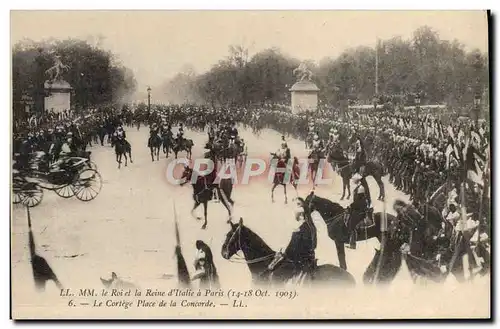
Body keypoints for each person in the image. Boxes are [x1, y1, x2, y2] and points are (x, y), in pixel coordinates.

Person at [268, 199, 317, 281]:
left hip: (300, 261)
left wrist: (284, 255)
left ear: (302, 213)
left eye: (298, 205)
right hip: (300, 258)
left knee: (276, 276)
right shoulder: (305, 226)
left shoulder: (304, 227)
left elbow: (299, 247)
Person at [346, 173, 371, 249]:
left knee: (351, 223)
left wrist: (351, 206)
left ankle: (353, 244)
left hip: (360, 209)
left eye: (354, 180)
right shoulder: (358, 187)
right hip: (358, 208)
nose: (353, 181)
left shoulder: (361, 188)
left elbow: (359, 202)